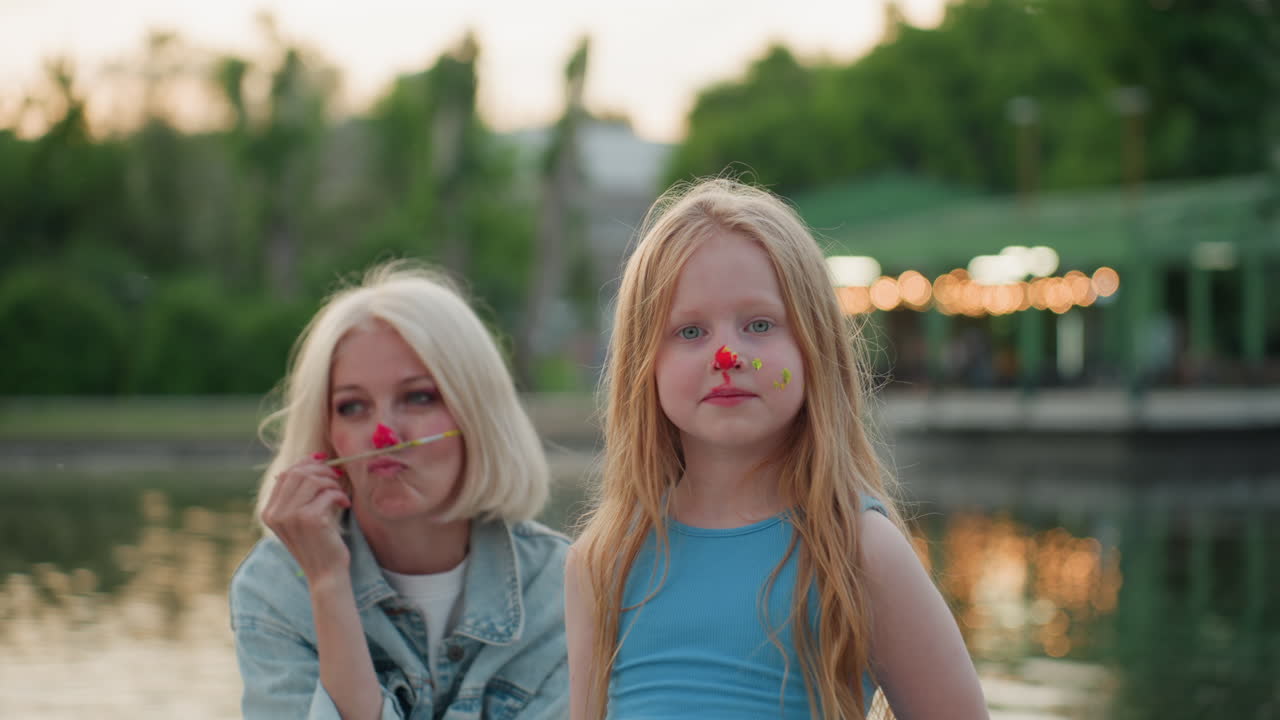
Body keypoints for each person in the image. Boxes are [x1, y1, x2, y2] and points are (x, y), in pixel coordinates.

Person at [565, 179, 988, 719]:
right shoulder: (602, 562)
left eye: (759, 324)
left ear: (814, 346)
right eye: (690, 331)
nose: (726, 355)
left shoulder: (857, 550)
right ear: (642, 363)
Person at [230, 260, 569, 719]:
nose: (384, 432)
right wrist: (328, 584)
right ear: (326, 435)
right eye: (352, 407)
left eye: (419, 396)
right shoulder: (275, 589)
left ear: (477, 415)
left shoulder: (565, 591)